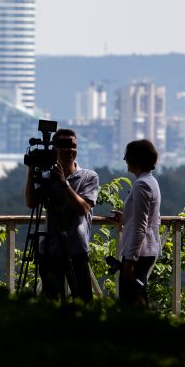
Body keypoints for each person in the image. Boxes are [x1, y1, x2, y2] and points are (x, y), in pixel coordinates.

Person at [23, 128, 99, 301]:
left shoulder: (88, 177)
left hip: (76, 249)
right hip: (50, 250)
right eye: (63, 145)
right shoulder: (47, 177)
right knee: (51, 302)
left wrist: (63, 183)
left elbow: (83, 209)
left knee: (83, 301)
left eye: (73, 146)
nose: (69, 150)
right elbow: (31, 202)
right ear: (54, 149)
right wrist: (31, 173)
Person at [114, 139, 161, 307]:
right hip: (147, 250)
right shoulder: (151, 181)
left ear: (136, 159)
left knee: (131, 300)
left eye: (127, 155)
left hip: (139, 253)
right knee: (138, 296)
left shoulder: (141, 184)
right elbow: (151, 216)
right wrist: (126, 217)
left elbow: (141, 225)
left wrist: (129, 262)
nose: (125, 159)